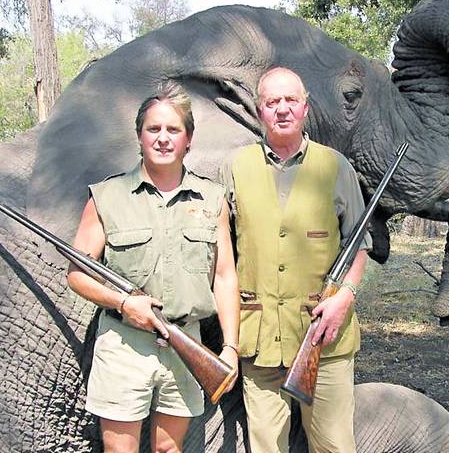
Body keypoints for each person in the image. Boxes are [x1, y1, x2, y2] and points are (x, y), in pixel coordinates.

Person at [67, 82, 240, 453]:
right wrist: (123, 303)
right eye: (154, 129)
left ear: (188, 139)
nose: (163, 138)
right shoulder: (106, 196)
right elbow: (77, 274)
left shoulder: (212, 199)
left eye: (173, 129)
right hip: (124, 345)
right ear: (140, 136)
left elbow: (225, 276)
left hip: (186, 342)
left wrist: (230, 347)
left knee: (168, 450)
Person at [221, 67, 370, 452]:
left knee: (334, 446)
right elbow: (221, 253)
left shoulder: (336, 167)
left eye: (291, 100)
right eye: (273, 102)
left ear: (305, 107)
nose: (282, 109)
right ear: (260, 111)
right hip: (260, 338)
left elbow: (359, 245)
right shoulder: (234, 167)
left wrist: (345, 296)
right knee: (265, 447)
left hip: (324, 336)